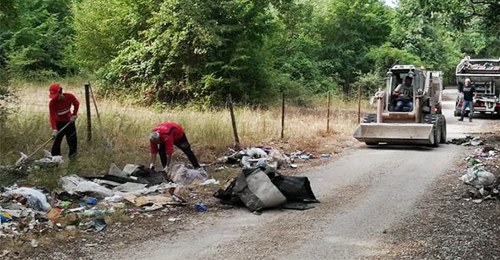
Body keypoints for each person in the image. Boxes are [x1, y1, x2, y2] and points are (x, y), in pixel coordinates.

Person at [49, 83, 79, 157]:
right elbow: (52, 116)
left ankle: (73, 158)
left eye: (56, 96)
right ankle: (55, 159)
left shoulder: (70, 97)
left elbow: (76, 103)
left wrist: (74, 115)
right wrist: (55, 129)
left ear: (60, 93)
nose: (55, 98)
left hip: (69, 122)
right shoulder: (52, 103)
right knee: (57, 142)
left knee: (72, 141)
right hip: (59, 123)